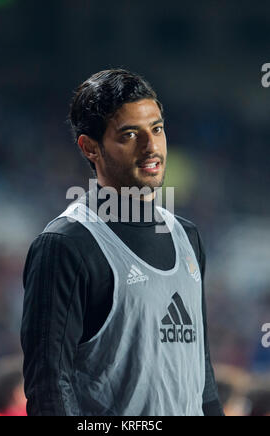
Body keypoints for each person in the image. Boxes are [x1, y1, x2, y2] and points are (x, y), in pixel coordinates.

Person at [21, 69, 224, 416]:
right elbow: (50, 386)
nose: (151, 146)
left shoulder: (188, 237)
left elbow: (200, 373)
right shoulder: (66, 245)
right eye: (129, 134)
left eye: (156, 129)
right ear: (90, 147)